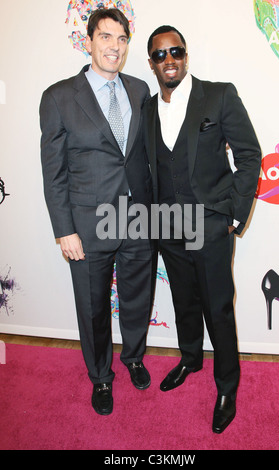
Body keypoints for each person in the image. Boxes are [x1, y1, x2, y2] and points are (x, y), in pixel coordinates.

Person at [143, 25, 262, 433]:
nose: (169, 59)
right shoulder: (146, 108)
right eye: (160, 54)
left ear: (186, 55)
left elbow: (249, 155)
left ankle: (227, 386)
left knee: (218, 307)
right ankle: (191, 359)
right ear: (152, 63)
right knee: (184, 301)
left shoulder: (219, 94)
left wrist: (234, 213)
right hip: (169, 226)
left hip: (210, 224)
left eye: (175, 51)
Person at [40, 8, 155, 416]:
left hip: (139, 218)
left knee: (138, 297)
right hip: (87, 224)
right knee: (92, 306)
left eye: (122, 39)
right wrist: (64, 229)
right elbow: (53, 172)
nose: (115, 47)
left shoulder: (141, 90)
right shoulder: (58, 97)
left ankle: (135, 357)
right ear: (88, 42)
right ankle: (101, 377)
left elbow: (145, 156)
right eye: (106, 37)